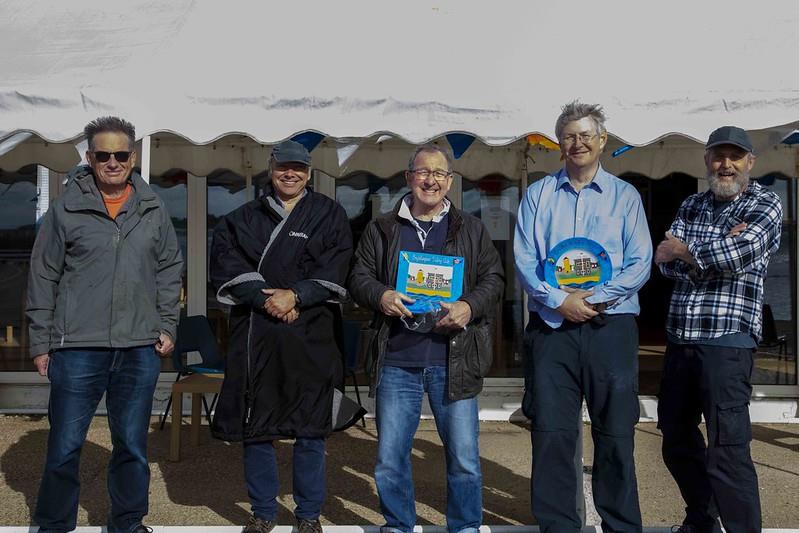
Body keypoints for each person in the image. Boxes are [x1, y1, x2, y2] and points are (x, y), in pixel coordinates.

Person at [27, 116, 183, 533]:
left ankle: (128, 523)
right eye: (102, 154)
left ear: (132, 157)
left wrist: (168, 324)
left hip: (139, 348)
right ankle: (54, 524)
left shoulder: (153, 208)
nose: (111, 162)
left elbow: (170, 268)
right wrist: (40, 343)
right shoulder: (65, 209)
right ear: (89, 158)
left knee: (131, 446)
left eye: (119, 154)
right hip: (77, 347)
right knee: (63, 446)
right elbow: (43, 277)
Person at [348, 145, 504, 533]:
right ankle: (399, 525)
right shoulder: (381, 228)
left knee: (464, 457)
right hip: (398, 358)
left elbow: (494, 280)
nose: (431, 180)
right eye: (423, 172)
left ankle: (465, 526)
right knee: (389, 457)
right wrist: (380, 295)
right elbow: (358, 277)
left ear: (450, 181)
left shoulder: (471, 227)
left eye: (439, 173)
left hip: (454, 359)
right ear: (408, 178)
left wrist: (468, 306)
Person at [514, 101, 652, 533]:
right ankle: (558, 526)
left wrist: (593, 299)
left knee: (615, 434)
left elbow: (640, 262)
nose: (578, 143)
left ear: (602, 141)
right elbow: (524, 259)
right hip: (553, 329)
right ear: (560, 144)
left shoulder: (626, 196)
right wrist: (558, 300)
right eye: (570, 136)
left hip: (611, 327)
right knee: (553, 434)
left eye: (586, 135)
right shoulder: (537, 195)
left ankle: (622, 525)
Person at [210, 140, 360, 533]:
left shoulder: (329, 214)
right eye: (282, 167)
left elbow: (337, 264)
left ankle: (308, 515)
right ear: (270, 168)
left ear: (309, 173)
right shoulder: (241, 218)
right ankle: (263, 513)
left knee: (311, 430)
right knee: (257, 428)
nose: (289, 174)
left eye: (298, 168)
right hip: (257, 337)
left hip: (311, 336)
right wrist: (271, 302)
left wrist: (297, 296)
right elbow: (226, 265)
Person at [654, 126, 782, 533]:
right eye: (718, 156)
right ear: (707, 160)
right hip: (681, 340)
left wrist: (690, 250)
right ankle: (702, 519)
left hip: (728, 344)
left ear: (750, 162)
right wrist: (706, 251)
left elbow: (738, 254)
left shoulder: (766, 203)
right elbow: (664, 261)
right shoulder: (692, 204)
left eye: (735, 156)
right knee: (675, 438)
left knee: (728, 449)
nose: (726, 164)